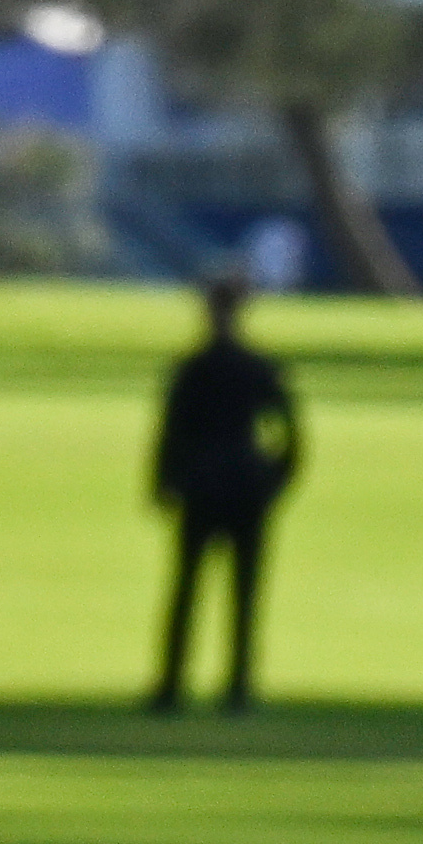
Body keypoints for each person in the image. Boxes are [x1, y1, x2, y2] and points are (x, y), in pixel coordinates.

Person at [147, 272, 298, 712]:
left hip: (201, 484)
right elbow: (291, 434)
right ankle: (238, 686)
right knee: (244, 592)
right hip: (247, 486)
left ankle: (172, 685)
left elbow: (169, 432)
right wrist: (275, 480)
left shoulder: (192, 369)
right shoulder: (259, 367)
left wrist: (164, 481)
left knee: (187, 588)